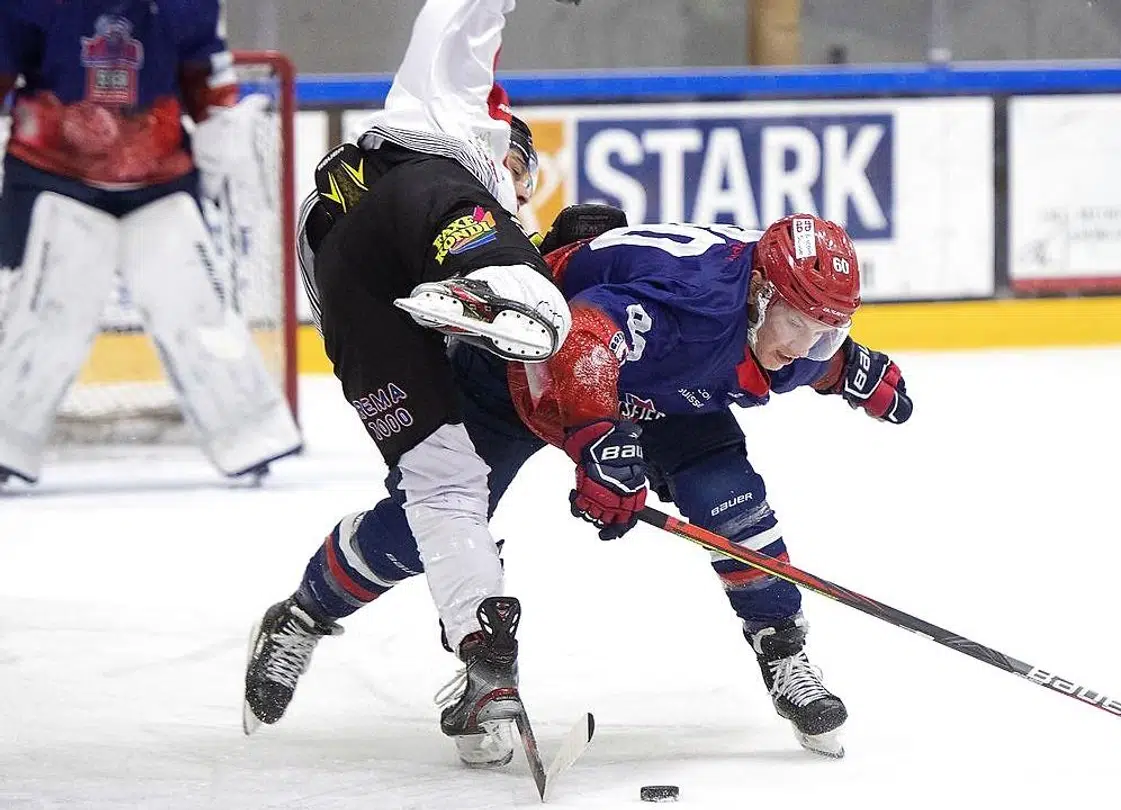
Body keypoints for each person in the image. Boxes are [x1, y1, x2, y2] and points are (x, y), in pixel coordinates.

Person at [247, 203, 914, 762]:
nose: (806, 346)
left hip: (657, 385)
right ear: (762, 297)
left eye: (827, 332)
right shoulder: (694, 299)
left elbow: (801, 348)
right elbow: (583, 340)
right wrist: (597, 443)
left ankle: (782, 650)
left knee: (731, 504)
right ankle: (304, 614)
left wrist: (843, 368)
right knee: (423, 529)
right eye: (800, 327)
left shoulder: (786, 320)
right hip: (527, 365)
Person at [243, 0, 589, 768]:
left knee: (439, 492)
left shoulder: (500, 217)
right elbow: (447, 23)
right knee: (472, 228)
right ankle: (486, 283)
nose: (523, 183)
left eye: (530, 177)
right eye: (520, 165)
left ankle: (480, 663)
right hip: (374, 256)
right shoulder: (446, 123)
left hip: (400, 318)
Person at [0, 0, 302, 484]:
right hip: (54, 178)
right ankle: (6, 443)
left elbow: (208, 78)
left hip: (160, 181)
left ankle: (252, 436)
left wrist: (224, 141)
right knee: (46, 317)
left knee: (197, 310)